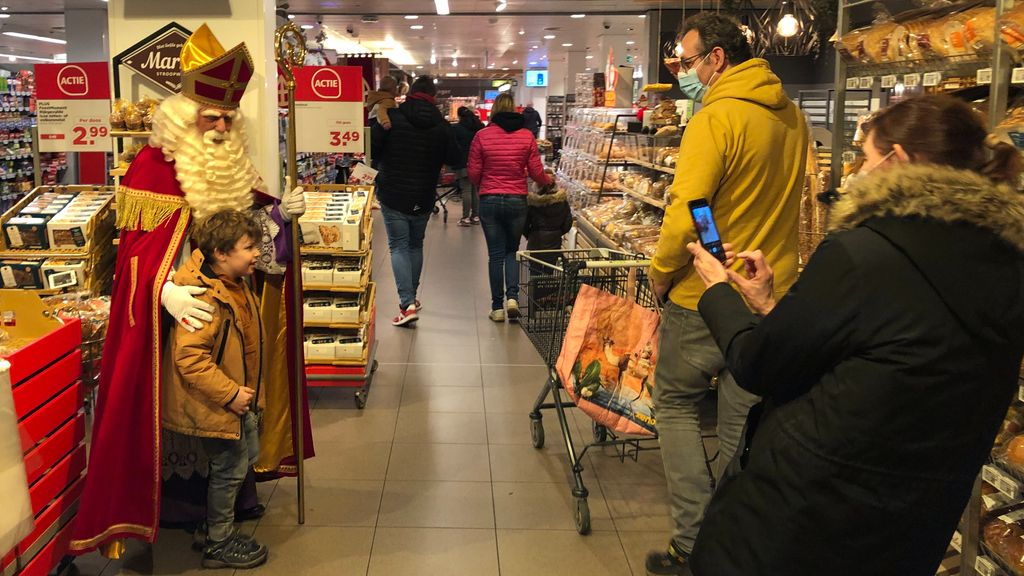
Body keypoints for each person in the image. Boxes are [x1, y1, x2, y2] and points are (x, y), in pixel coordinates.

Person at [682, 94, 1024, 576]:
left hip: (808, 514)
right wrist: (771, 305)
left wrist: (717, 289)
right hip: (911, 519)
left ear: (898, 159)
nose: (856, 171)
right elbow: (890, 352)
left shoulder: (865, 251)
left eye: (864, 156)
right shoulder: (1006, 260)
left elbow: (759, 364)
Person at [71, 24, 314, 558]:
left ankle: (226, 504)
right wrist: (164, 294)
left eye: (229, 117)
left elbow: (248, 233)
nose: (222, 125)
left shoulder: (232, 165)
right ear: (185, 114)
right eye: (212, 116)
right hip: (174, 320)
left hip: (232, 309)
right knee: (185, 409)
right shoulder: (151, 169)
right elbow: (137, 259)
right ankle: (184, 511)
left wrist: (279, 216)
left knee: (230, 405)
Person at [645, 12, 808, 575]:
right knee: (743, 426)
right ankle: (740, 546)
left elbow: (690, 210)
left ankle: (692, 542)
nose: (683, 73)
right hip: (768, 293)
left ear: (716, 59)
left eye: (687, 62)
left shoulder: (715, 119)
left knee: (675, 404)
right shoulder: (791, 116)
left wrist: (662, 271)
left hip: (704, 297)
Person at [163, 210, 268, 569]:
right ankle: (218, 541)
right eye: (249, 247)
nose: (257, 254)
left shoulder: (236, 281)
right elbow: (190, 359)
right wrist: (230, 394)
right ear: (221, 253)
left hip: (239, 397)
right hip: (220, 402)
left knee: (245, 457)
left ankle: (214, 525)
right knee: (230, 466)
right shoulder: (205, 297)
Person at [372, 75, 464, 327]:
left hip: (393, 193)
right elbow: (456, 159)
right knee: (415, 245)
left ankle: (407, 303)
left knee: (399, 246)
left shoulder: (392, 117)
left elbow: (374, 149)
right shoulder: (442, 125)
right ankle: (411, 298)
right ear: (433, 97)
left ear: (410, 92)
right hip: (423, 196)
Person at [469, 92, 553, 322]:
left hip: (490, 200)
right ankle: (513, 298)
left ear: (495, 110)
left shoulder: (481, 136)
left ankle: (497, 308)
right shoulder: (526, 136)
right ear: (514, 110)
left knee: (495, 255)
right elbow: (537, 172)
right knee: (511, 250)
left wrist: (485, 183)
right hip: (517, 200)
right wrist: (548, 181)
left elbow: (473, 173)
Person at [453, 106, 484, 227]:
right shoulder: (478, 127)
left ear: (460, 116)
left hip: (463, 162)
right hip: (477, 163)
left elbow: (454, 146)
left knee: (466, 189)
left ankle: (465, 218)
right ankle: (475, 216)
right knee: (474, 190)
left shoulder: (457, 128)